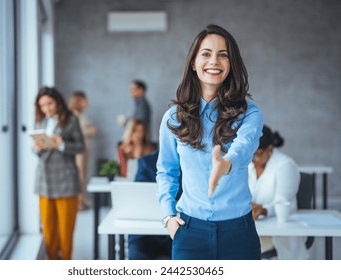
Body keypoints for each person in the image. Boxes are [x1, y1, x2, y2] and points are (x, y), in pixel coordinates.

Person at [156, 24, 263, 260]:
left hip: (239, 233)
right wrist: (168, 218)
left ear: (231, 64)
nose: (214, 61)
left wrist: (226, 164)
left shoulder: (250, 113)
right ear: (194, 63)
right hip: (188, 231)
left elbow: (244, 147)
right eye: (206, 54)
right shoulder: (174, 117)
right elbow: (166, 171)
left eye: (223, 55)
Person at [33, 86, 85, 260]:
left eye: (49, 103)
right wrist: (37, 148)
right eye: (42, 105)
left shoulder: (71, 120)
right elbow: (38, 150)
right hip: (44, 180)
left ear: (58, 102)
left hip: (66, 180)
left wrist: (61, 144)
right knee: (48, 231)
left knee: (65, 231)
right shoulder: (40, 121)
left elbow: (81, 147)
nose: (46, 108)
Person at [249, 125, 309, 259]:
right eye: (250, 154)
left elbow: (283, 202)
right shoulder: (250, 165)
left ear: (269, 150)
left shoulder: (285, 165)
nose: (252, 159)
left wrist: (264, 210)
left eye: (257, 154)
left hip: (279, 235)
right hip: (256, 229)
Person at [127, 150, 172, 260]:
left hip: (180, 231)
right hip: (147, 232)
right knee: (136, 252)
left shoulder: (191, 162)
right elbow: (139, 197)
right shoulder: (146, 162)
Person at [68, 91, 97, 210]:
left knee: (83, 175)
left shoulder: (83, 114)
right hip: (78, 151)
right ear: (79, 101)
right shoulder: (73, 115)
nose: (87, 102)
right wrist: (88, 131)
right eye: (85, 100)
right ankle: (78, 203)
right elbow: (74, 133)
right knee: (79, 176)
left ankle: (82, 201)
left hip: (85, 149)